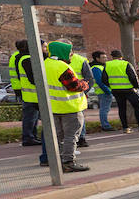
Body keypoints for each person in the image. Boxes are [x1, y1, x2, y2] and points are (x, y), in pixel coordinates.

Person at [21, 40, 91, 172]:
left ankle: (57, 162)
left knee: (57, 137)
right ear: (62, 52)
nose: (71, 55)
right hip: (69, 107)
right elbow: (74, 86)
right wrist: (84, 84)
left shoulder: (43, 64)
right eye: (69, 52)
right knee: (71, 136)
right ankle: (69, 162)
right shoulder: (62, 66)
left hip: (51, 108)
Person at [105, 50, 139, 133]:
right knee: (137, 107)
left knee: (122, 108)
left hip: (116, 90)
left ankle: (125, 128)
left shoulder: (107, 65)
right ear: (121, 56)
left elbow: (104, 79)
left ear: (112, 57)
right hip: (129, 89)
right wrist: (136, 86)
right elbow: (132, 76)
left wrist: (112, 85)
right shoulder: (126, 64)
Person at [10, 39, 41, 146]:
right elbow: (31, 77)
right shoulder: (26, 58)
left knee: (32, 116)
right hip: (28, 91)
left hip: (22, 89)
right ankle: (29, 137)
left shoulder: (16, 56)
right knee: (31, 116)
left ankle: (31, 136)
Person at [90, 50, 114, 130]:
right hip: (103, 92)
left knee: (105, 109)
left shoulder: (100, 67)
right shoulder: (96, 68)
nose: (106, 59)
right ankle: (105, 126)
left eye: (106, 57)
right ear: (97, 59)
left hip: (104, 91)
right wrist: (108, 91)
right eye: (103, 57)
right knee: (104, 109)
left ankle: (105, 125)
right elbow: (100, 82)